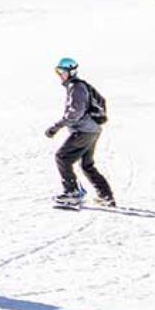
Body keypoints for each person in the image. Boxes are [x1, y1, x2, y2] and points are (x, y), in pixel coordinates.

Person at [48, 56, 115, 208]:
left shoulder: (76, 87)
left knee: (62, 157)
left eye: (62, 71)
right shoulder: (78, 86)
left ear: (71, 72)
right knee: (87, 165)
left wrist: (56, 127)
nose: (60, 75)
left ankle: (72, 193)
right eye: (58, 71)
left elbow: (75, 113)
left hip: (84, 130)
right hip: (92, 130)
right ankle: (106, 196)